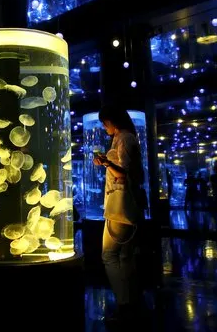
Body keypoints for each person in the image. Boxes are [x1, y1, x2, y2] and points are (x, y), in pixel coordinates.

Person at [92, 105, 146, 324]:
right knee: (125, 256)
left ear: (113, 121)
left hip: (120, 204)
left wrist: (105, 162)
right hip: (127, 201)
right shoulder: (126, 138)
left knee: (109, 255)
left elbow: (122, 173)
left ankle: (124, 304)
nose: (104, 127)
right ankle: (131, 303)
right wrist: (107, 161)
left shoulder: (123, 138)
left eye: (105, 122)